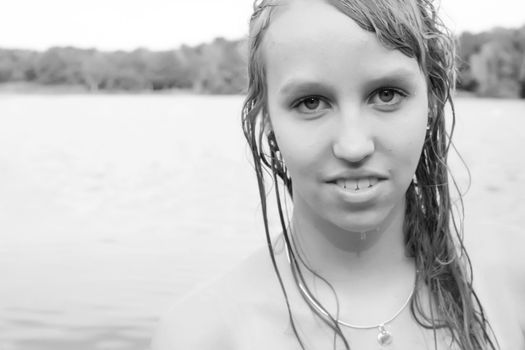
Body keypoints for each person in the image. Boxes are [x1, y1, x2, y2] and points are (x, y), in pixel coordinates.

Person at [152, 0, 525, 349]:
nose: (353, 145)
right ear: (266, 120)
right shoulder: (201, 334)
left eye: (386, 94)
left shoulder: (512, 278)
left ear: (430, 102)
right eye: (310, 102)